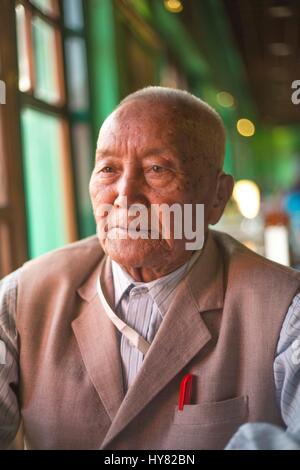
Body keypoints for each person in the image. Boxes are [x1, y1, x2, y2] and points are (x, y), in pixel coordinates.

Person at [0, 86, 300, 450]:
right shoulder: (22, 299)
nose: (125, 196)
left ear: (217, 196)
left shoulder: (285, 309)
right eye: (108, 169)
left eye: (158, 169)